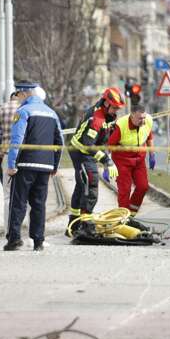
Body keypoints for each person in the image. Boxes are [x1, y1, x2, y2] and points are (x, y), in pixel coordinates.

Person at [5, 83, 63, 251]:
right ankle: (38, 241)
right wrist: (55, 165)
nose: (17, 98)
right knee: (39, 204)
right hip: (45, 166)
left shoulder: (23, 112)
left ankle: (14, 239)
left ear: (24, 93)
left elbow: (17, 139)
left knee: (18, 203)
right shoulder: (52, 113)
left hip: (25, 165)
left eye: (18, 94)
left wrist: (11, 164)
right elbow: (60, 141)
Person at [67, 87, 124, 232]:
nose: (116, 111)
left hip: (86, 151)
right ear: (106, 103)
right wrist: (106, 161)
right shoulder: (97, 118)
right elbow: (88, 145)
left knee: (81, 186)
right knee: (90, 184)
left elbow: (102, 140)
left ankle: (73, 224)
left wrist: (107, 157)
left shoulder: (108, 115)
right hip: (81, 152)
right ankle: (86, 225)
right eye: (115, 107)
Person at [0, 88, 27, 228]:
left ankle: (9, 230)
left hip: (7, 155)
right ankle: (32, 231)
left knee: (8, 195)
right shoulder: (28, 108)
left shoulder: (3, 108)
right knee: (29, 194)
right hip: (27, 155)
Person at [107, 104, 155, 216]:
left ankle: (132, 214)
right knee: (125, 191)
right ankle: (123, 218)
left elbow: (149, 137)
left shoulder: (147, 120)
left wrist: (152, 154)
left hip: (139, 159)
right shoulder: (121, 125)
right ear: (132, 116)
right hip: (122, 160)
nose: (143, 121)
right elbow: (109, 146)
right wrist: (107, 166)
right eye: (140, 118)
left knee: (143, 186)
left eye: (144, 117)